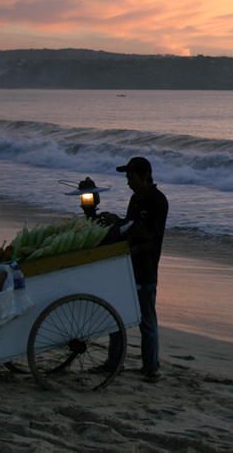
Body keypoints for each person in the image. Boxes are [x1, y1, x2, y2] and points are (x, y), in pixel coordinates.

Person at [97, 156, 168, 382]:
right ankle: (114, 362)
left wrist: (119, 223)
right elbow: (129, 226)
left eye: (132, 178)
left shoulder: (158, 201)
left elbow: (146, 232)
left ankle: (151, 367)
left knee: (147, 319)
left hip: (145, 267)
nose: (128, 182)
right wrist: (116, 224)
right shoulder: (135, 198)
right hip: (127, 265)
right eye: (127, 178)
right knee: (117, 317)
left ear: (146, 177)